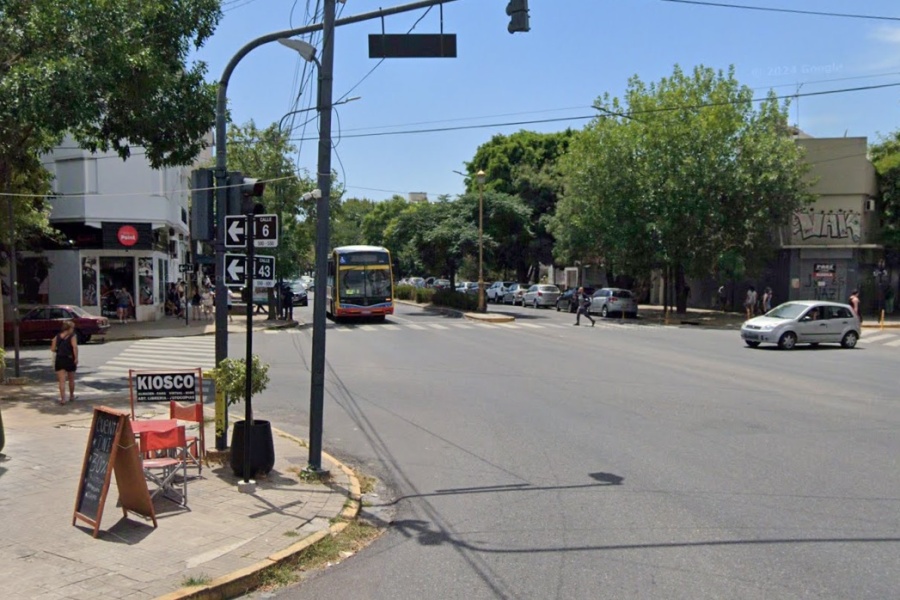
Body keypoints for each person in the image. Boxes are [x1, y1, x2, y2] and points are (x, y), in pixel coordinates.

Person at [50, 320, 78, 405]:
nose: (73, 329)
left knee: (61, 381)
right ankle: (72, 396)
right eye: (72, 328)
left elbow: (52, 349)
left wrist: (59, 350)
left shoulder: (57, 337)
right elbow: (75, 347)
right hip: (69, 358)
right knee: (71, 379)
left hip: (59, 359)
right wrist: (76, 358)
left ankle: (63, 399)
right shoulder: (72, 336)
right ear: (69, 328)